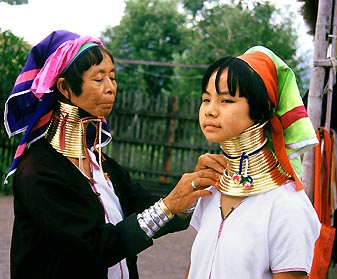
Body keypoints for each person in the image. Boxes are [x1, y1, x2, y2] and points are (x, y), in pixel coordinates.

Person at [3, 30, 225, 279]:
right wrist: (168, 206)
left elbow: (145, 207)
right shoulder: (39, 171)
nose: (111, 88)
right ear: (64, 87)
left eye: (113, 77)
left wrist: (193, 189)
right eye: (99, 79)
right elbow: (95, 247)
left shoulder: (101, 165)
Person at [186, 46, 322, 279]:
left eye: (226, 100)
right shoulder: (213, 188)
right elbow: (196, 267)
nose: (209, 110)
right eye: (206, 99)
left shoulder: (287, 205)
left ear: (260, 110)